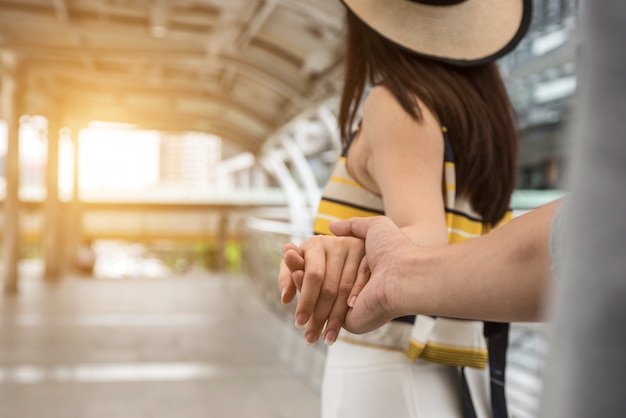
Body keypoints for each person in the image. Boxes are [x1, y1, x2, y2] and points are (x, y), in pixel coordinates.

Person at [278, 1, 533, 417]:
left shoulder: (396, 102)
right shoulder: (479, 116)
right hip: (459, 370)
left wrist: (336, 252)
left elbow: (423, 234)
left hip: (388, 370)